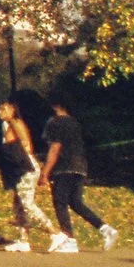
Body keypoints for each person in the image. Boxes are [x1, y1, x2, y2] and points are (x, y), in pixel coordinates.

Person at [37, 101, 116, 252]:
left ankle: (69, 239)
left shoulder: (55, 122)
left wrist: (45, 172)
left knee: (60, 202)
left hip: (64, 167)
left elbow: (55, 148)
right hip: (80, 166)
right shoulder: (75, 122)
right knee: (75, 202)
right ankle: (105, 229)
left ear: (55, 105)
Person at [0, 98, 59, 251]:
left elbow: (26, 145)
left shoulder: (16, 123)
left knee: (27, 203)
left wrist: (17, 158)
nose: (0, 112)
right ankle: (23, 240)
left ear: (12, 109)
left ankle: (55, 233)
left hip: (26, 167)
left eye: (3, 109)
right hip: (19, 168)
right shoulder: (7, 125)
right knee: (18, 205)